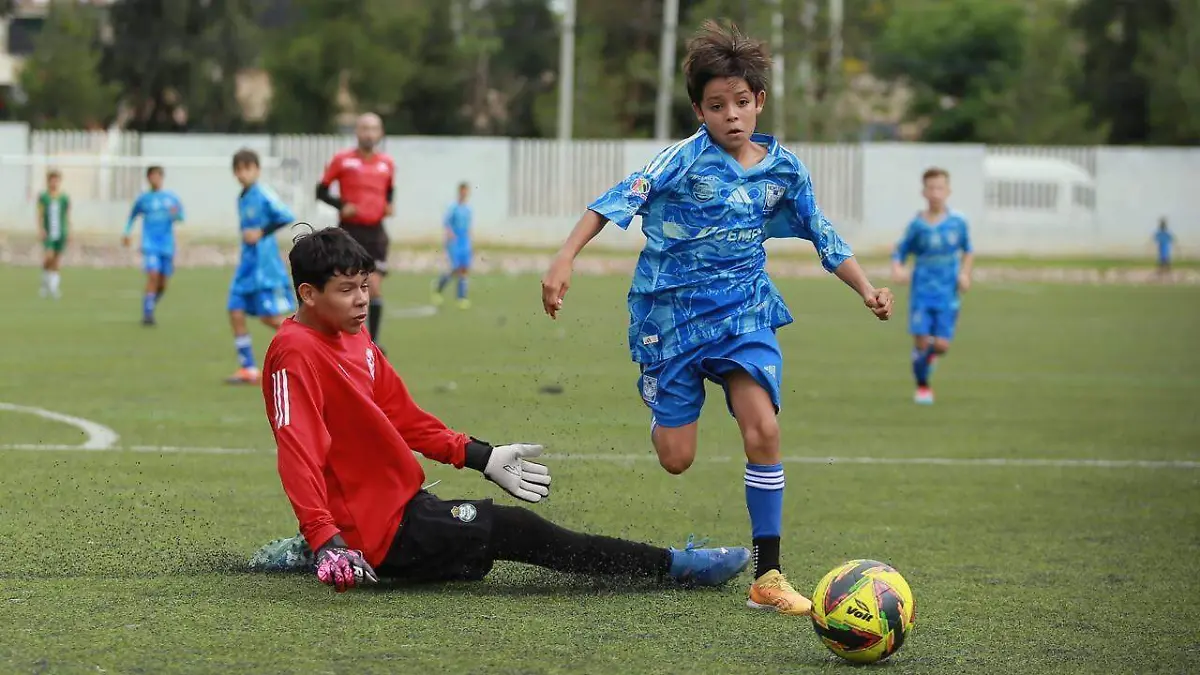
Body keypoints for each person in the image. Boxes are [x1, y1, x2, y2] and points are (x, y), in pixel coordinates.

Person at [539, 20, 893, 617]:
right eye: (716, 105)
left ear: (759, 102)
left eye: (741, 102)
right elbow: (610, 203)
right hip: (669, 317)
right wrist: (563, 258)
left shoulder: (782, 170)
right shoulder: (680, 160)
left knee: (764, 429)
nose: (731, 115)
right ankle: (661, 406)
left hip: (743, 314)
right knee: (676, 458)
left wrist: (866, 288)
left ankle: (769, 573)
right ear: (699, 110)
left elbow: (822, 233)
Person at [249, 227, 751, 593]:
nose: (362, 301)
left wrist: (481, 457)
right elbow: (298, 449)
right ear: (308, 295)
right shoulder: (294, 351)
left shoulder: (356, 340)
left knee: (504, 526)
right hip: (380, 535)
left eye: (365, 286)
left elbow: (406, 420)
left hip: (401, 505)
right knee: (519, 530)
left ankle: (316, 543)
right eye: (347, 290)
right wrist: (326, 538)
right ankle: (677, 567)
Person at [890, 168, 973, 405]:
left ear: (948, 191)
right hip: (922, 292)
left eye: (940, 188)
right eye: (931, 188)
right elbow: (901, 250)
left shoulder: (958, 223)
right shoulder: (917, 225)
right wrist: (898, 267)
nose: (936, 193)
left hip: (948, 293)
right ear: (924, 192)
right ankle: (923, 386)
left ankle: (925, 358)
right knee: (922, 341)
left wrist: (965, 274)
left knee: (942, 345)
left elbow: (968, 250)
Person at [316, 112, 395, 346]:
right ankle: (344, 337)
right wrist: (342, 205)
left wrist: (388, 204)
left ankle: (374, 342)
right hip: (350, 233)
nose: (369, 133)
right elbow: (320, 191)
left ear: (380, 133)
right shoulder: (342, 160)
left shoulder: (387, 163)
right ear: (357, 132)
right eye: (364, 128)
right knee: (346, 285)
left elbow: (390, 189)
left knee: (374, 286)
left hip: (376, 233)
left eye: (373, 128)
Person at [226, 149, 297, 385]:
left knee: (269, 318)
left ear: (257, 169)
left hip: (264, 267)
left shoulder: (263, 193)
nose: (243, 173)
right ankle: (247, 367)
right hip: (247, 266)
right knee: (235, 310)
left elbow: (287, 214)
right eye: (239, 169)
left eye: (247, 168)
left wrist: (262, 232)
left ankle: (308, 344)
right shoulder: (241, 197)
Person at [123, 166, 185, 326]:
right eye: (152, 176)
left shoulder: (171, 198)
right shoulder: (143, 199)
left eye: (158, 176)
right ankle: (148, 314)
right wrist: (126, 232)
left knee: (163, 283)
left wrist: (175, 214)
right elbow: (132, 216)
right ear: (148, 179)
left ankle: (150, 303)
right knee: (153, 275)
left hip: (166, 245)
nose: (155, 179)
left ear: (162, 178)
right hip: (150, 244)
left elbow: (181, 216)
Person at [432, 181, 473, 309]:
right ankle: (438, 286)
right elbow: (446, 222)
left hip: (465, 241)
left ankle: (461, 298)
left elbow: (469, 227)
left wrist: (470, 241)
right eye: (462, 191)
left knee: (464, 269)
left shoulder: (468, 209)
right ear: (459, 191)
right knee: (455, 269)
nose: (464, 193)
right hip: (455, 241)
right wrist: (450, 235)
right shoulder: (453, 207)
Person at [38, 169, 69, 299]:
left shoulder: (64, 198)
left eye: (56, 180)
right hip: (49, 232)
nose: (54, 182)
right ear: (48, 181)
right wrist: (41, 229)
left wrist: (69, 231)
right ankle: (45, 285)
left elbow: (66, 215)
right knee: (48, 257)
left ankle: (54, 288)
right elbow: (39, 214)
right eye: (52, 180)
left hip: (61, 232)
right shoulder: (44, 197)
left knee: (57, 261)